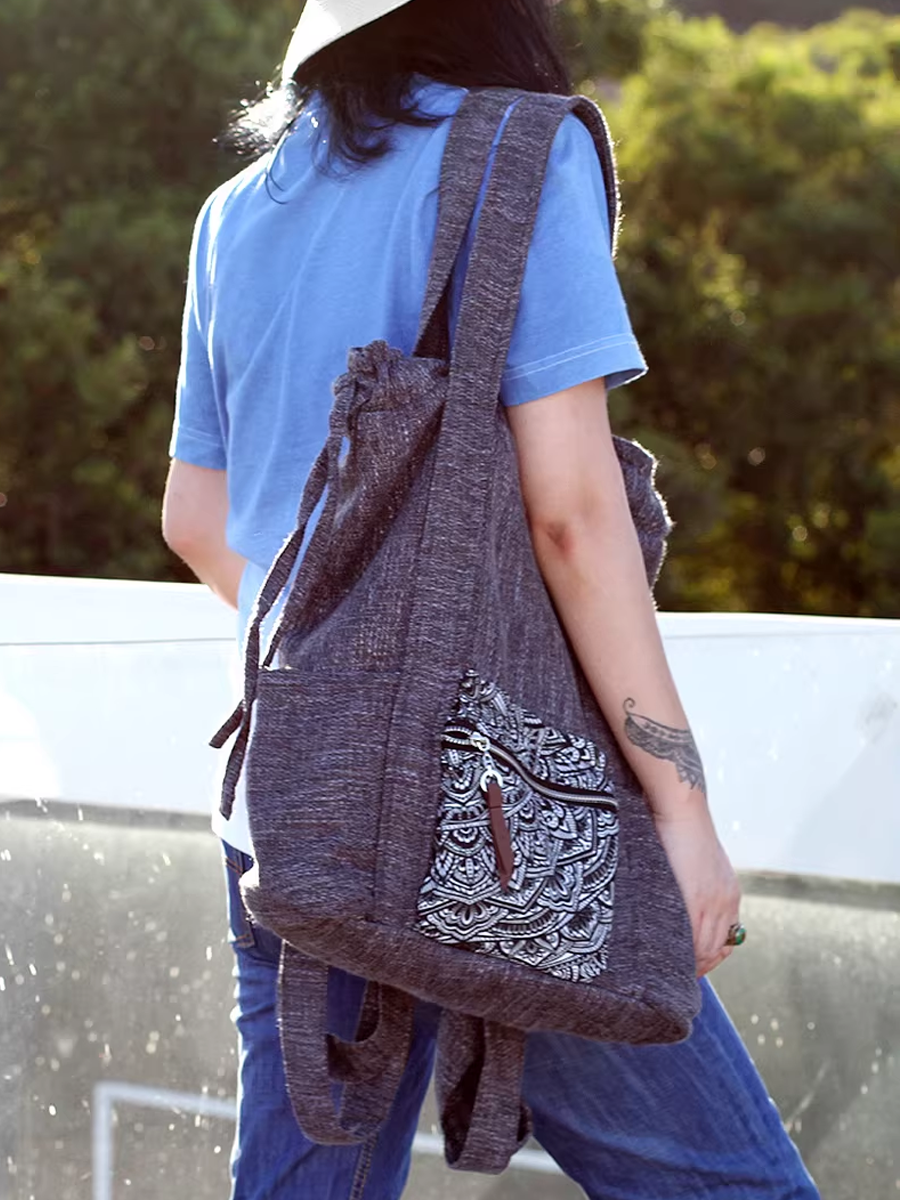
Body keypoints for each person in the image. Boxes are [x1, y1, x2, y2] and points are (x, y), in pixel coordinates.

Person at [162, 2, 821, 1197]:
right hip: (507, 819)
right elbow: (571, 514)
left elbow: (195, 521)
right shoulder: (523, 149)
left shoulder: (233, 215)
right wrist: (682, 810)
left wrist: (347, 670)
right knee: (731, 1185)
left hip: (292, 806)